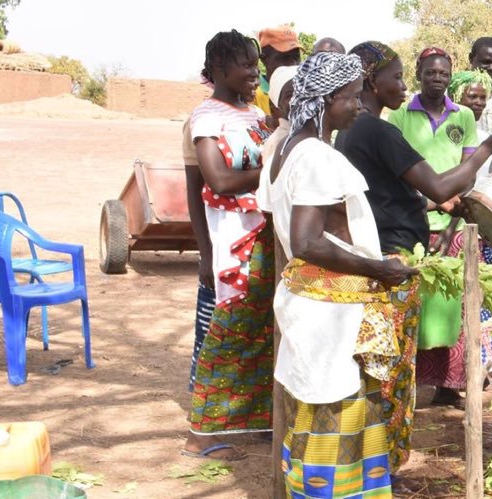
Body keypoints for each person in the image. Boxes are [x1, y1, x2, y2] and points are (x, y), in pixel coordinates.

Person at [334, 40, 492, 473]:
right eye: (396, 76)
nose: (402, 85)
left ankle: (372, 463)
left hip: (381, 253)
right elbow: (438, 186)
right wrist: (489, 146)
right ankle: (378, 468)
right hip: (391, 261)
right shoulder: (378, 130)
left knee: (381, 368)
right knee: (390, 373)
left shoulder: (355, 130)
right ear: (370, 80)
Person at [263, 51, 404, 497]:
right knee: (336, 421)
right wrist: (378, 268)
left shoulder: (283, 150)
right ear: (325, 100)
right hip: (330, 318)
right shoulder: (316, 157)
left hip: (308, 303)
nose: (359, 106)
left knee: (309, 420)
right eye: (351, 97)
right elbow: (306, 241)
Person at [181, 30, 276, 462]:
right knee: (229, 329)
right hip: (234, 237)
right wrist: (275, 168)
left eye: (256, 63)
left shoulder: (254, 113)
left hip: (264, 234)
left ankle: (254, 419)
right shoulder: (207, 118)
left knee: (260, 332)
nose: (254, 72)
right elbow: (216, 180)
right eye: (245, 64)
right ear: (218, 69)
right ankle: (200, 432)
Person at [386, 46, 482, 406]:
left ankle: (448, 384)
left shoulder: (464, 118)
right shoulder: (398, 117)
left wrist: (452, 212)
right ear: (419, 73)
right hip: (412, 222)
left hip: (454, 225)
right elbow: (395, 172)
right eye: (430, 72)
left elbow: (468, 171)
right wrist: (433, 200)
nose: (437, 78)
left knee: (451, 304)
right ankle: (411, 383)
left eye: (443, 73)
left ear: (450, 76)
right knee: (414, 306)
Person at [448, 70, 492, 182]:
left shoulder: (486, 139)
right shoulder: (442, 132)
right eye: (472, 96)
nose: (479, 103)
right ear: (454, 98)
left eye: (483, 98)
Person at [254, 25, 301, 117]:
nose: (293, 63)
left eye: (296, 57)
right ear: (264, 59)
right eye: (285, 58)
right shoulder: (253, 93)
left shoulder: (303, 90)